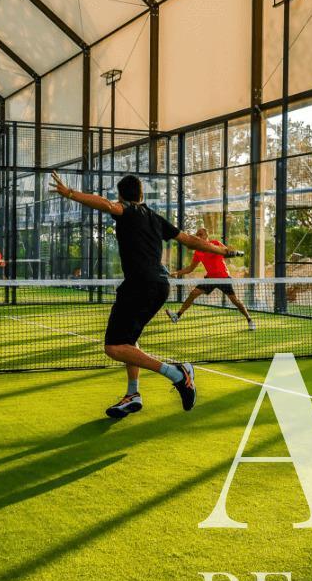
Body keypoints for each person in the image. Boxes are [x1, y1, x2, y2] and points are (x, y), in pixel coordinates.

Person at [51, 171, 236, 419]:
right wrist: (223, 252)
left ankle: (177, 374)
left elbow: (106, 205)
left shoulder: (127, 211)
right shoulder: (155, 218)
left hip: (141, 285)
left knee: (114, 347)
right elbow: (190, 240)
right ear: (141, 195)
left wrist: (70, 193)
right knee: (128, 341)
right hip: (159, 286)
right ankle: (132, 394)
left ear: (122, 197)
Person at [166, 228, 255, 331]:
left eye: (201, 234)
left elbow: (226, 251)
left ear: (206, 235)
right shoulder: (198, 252)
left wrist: (232, 251)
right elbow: (190, 268)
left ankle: (249, 319)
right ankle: (177, 316)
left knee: (235, 301)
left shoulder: (215, 243)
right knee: (193, 293)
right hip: (210, 278)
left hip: (223, 277)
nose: (198, 236)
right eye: (197, 234)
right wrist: (177, 273)